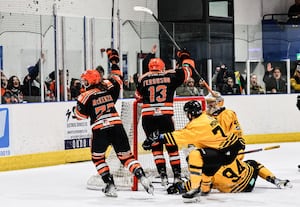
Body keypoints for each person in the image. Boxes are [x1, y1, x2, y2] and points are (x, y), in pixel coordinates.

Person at [73, 69, 153, 197]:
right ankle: (141, 176)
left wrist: (75, 111)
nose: (83, 83)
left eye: (85, 80)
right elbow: (118, 79)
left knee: (98, 158)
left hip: (100, 129)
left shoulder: (84, 96)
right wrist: (111, 69)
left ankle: (109, 184)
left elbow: (80, 115)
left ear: (90, 81)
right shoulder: (108, 87)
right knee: (127, 157)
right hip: (117, 126)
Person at [144, 100, 245, 202]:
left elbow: (180, 136)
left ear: (191, 113)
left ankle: (195, 188)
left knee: (195, 155)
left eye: (187, 112)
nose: (187, 115)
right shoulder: (205, 117)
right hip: (227, 149)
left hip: (222, 152)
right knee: (207, 168)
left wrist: (158, 137)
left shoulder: (197, 124)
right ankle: (205, 189)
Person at [136, 54, 195, 187]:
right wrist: (185, 57)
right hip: (165, 116)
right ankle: (177, 176)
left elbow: (137, 96)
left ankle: (163, 176)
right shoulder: (170, 75)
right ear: (162, 67)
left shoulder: (142, 78)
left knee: (156, 148)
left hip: (148, 117)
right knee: (172, 147)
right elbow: (188, 71)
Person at [167, 156, 292, 195]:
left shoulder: (205, 174)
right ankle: (275, 180)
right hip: (249, 180)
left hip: (239, 189)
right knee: (253, 163)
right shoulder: (220, 155)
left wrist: (176, 186)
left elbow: (187, 187)